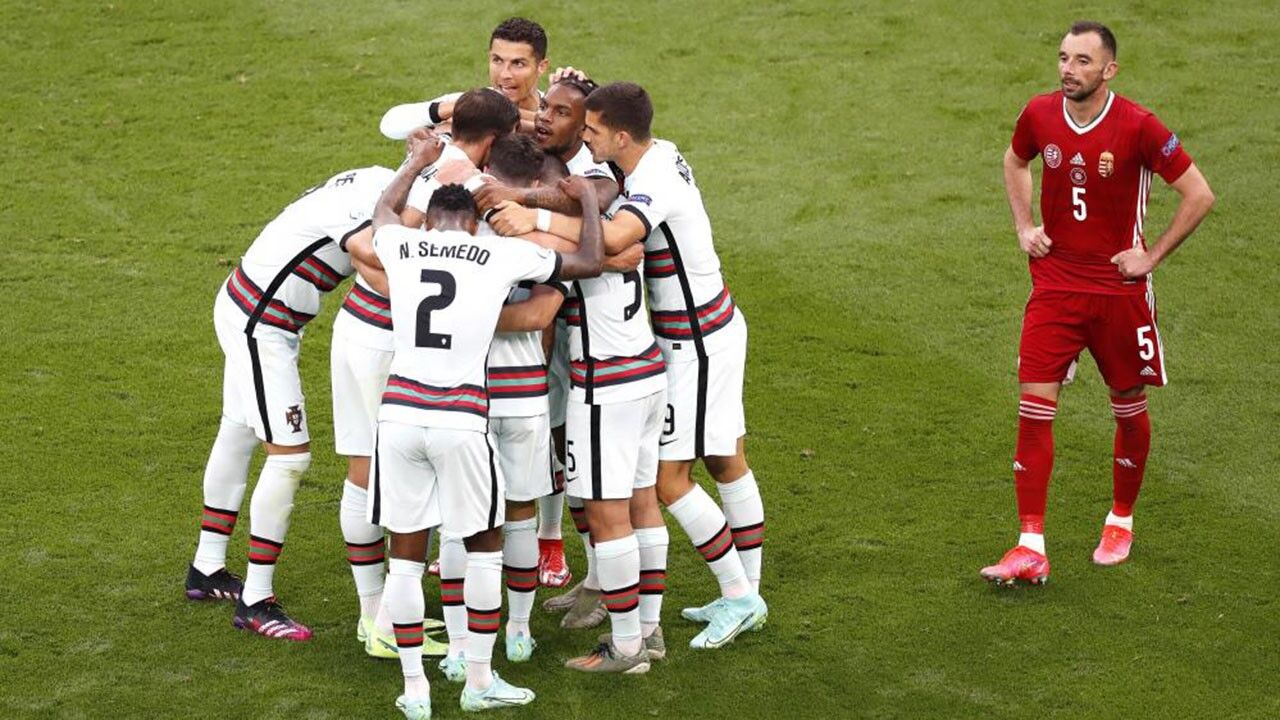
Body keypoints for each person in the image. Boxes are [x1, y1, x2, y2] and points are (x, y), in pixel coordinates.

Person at [490, 81, 768, 649]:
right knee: (721, 460)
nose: (585, 140)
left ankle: (742, 597)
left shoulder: (654, 179)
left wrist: (530, 216)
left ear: (620, 134)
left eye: (592, 131)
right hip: (691, 333)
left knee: (673, 480)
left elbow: (615, 240)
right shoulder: (652, 156)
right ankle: (740, 595)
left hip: (697, 338)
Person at [350, 133, 606, 718]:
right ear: (470, 225)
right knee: (485, 544)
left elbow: (383, 212)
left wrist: (415, 161)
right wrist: (589, 203)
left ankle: (414, 688)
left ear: (432, 221)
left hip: (400, 417)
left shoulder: (401, 245)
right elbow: (588, 261)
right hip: (462, 418)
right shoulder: (495, 254)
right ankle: (479, 679)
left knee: (407, 556)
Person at [981, 20, 1215, 585]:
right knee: (1033, 408)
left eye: (1083, 61)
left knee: (1127, 406)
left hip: (1118, 291)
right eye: (1063, 57)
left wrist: (1150, 257)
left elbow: (1199, 194)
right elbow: (1015, 161)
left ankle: (1121, 518)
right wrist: (1023, 225)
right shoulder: (1038, 114)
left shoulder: (1139, 126)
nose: (1068, 69)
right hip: (1056, 286)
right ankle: (1029, 544)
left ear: (1109, 70)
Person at [185, 164, 395, 641]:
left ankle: (207, 567)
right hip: (262, 324)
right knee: (291, 458)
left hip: (249, 306)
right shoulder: (367, 202)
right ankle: (255, 600)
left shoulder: (372, 178)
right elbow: (372, 265)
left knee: (237, 431)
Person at [379, 17, 549, 140]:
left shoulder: (558, 114)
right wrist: (462, 108)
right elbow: (390, 125)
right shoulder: (471, 103)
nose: (505, 74)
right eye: (497, 60)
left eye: (518, 64)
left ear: (541, 66)